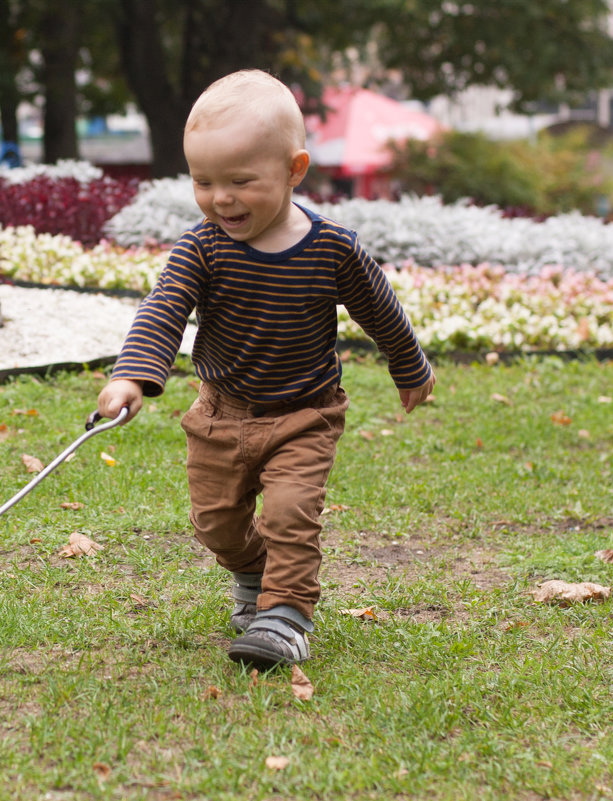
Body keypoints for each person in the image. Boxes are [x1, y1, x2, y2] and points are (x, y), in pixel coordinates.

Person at [96, 70, 436, 671]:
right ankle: (253, 574)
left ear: (294, 170)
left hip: (305, 412)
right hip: (221, 412)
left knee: (288, 513)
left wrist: (409, 367)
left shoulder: (332, 248)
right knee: (215, 525)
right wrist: (133, 375)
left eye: (241, 181)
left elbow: (379, 308)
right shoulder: (202, 247)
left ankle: (287, 614)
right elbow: (164, 308)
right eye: (203, 181)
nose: (220, 198)